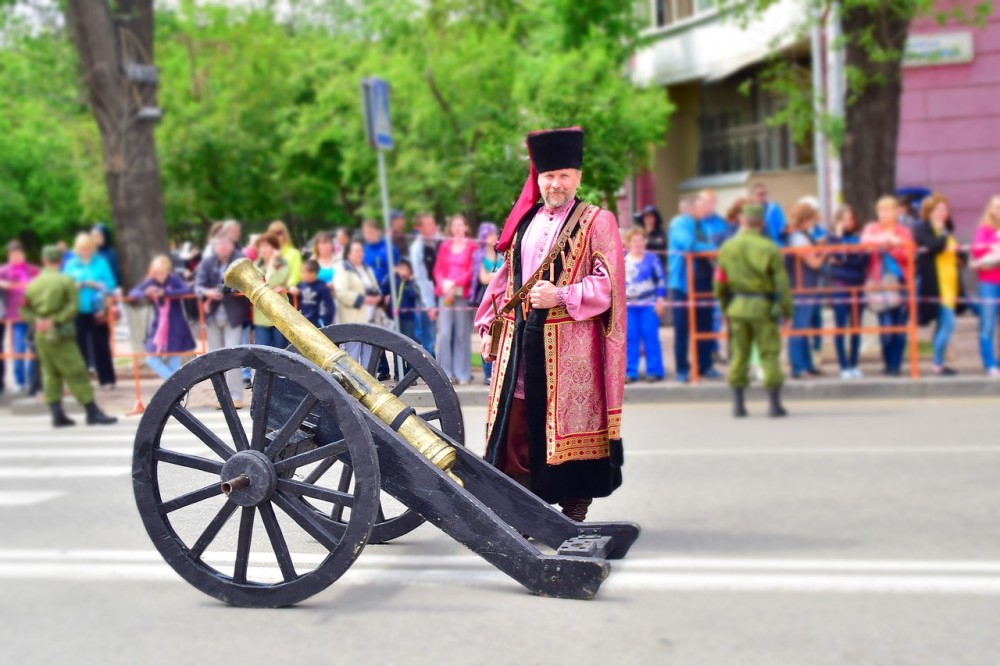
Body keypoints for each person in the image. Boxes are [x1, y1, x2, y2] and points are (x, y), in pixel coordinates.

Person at [475, 126, 626, 522]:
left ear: (577, 176)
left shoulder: (598, 221)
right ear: (538, 179)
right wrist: (489, 317)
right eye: (548, 176)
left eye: (563, 175)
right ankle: (525, 507)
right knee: (520, 415)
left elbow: (609, 285)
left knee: (563, 420)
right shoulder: (526, 221)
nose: (555, 183)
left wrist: (559, 295)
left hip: (571, 343)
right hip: (522, 336)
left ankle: (574, 506)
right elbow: (508, 275)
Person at [21, 246, 117, 427]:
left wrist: (37, 320)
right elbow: (73, 307)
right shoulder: (66, 281)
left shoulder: (33, 284)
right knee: (77, 370)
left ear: (43, 260)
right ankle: (92, 411)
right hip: (60, 334)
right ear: (60, 260)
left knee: (50, 372)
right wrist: (55, 320)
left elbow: (24, 308)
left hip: (40, 333)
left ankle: (57, 413)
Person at [714, 203, 792, 418]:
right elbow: (781, 283)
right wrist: (787, 311)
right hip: (763, 308)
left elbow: (720, 282)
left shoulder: (728, 247)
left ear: (742, 220)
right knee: (769, 353)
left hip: (737, 307)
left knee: (739, 353)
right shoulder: (769, 247)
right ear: (762, 223)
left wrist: (724, 308)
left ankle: (738, 405)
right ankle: (774, 405)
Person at [861, 196, 915, 377]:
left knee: (900, 328)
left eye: (887, 210)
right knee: (886, 328)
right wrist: (886, 239)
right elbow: (864, 242)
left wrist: (891, 247)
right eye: (880, 210)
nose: (883, 214)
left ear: (895, 212)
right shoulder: (872, 228)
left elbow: (908, 254)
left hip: (900, 282)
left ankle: (895, 365)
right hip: (880, 282)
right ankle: (887, 362)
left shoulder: (904, 231)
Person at [667, 196, 718, 382]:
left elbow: (709, 245)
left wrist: (712, 249)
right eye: (702, 205)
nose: (706, 208)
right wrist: (713, 248)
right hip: (684, 284)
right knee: (683, 328)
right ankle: (682, 369)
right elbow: (689, 245)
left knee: (705, 325)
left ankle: (706, 365)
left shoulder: (703, 225)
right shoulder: (680, 223)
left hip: (704, 282)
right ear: (691, 207)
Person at [195, 233, 248, 409]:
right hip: (212, 315)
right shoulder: (207, 263)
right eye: (220, 244)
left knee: (232, 355)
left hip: (233, 315)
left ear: (232, 245)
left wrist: (230, 289)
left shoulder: (239, 260)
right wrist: (207, 293)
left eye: (226, 243)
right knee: (216, 357)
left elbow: (246, 282)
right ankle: (222, 397)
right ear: (215, 246)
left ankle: (236, 396)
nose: (223, 247)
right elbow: (197, 286)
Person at [914, 194, 964, 376]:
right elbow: (934, 246)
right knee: (949, 323)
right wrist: (942, 233)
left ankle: (939, 362)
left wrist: (960, 256)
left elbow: (958, 252)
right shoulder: (924, 229)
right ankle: (936, 363)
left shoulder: (946, 229)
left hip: (950, 283)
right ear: (930, 212)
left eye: (945, 210)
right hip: (936, 284)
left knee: (943, 324)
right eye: (939, 210)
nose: (944, 213)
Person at [62, 231, 117, 389]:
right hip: (77, 310)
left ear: (92, 248)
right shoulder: (71, 264)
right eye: (81, 248)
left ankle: (107, 379)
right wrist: (75, 286)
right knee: (79, 347)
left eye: (87, 248)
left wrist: (96, 284)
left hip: (97, 309)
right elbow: (64, 285)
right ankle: (80, 381)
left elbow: (111, 285)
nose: (84, 251)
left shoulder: (101, 262)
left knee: (101, 345)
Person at [128, 255, 196, 380]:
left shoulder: (173, 279)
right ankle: (177, 386)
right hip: (159, 327)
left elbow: (187, 290)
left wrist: (166, 293)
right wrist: (146, 292)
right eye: (156, 273)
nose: (158, 276)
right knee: (151, 360)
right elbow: (133, 293)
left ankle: (176, 392)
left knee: (174, 363)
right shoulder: (152, 281)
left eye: (161, 273)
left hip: (176, 328)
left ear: (167, 271)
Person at [827, 205, 869, 379]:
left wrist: (843, 260)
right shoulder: (832, 238)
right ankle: (843, 366)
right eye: (843, 219)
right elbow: (837, 257)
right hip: (840, 286)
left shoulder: (859, 238)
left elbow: (861, 261)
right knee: (840, 327)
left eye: (850, 219)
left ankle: (854, 364)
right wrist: (838, 239)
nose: (848, 222)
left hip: (858, 285)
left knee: (856, 327)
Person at [434, 214, 477, 384]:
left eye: (461, 225)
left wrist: (455, 285)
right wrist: (443, 284)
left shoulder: (472, 246)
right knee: (444, 333)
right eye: (455, 225)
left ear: (466, 227)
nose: (457, 229)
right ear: (450, 228)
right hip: (445, 294)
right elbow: (437, 269)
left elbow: (472, 271)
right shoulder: (445, 246)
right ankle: (446, 373)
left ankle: (462, 373)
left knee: (461, 334)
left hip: (461, 294)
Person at [785, 203, 826, 379]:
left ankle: (806, 365)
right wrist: (825, 251)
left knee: (804, 328)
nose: (814, 221)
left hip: (806, 287)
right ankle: (798, 367)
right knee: (798, 327)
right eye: (812, 217)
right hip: (801, 288)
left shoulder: (800, 236)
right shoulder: (799, 238)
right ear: (806, 218)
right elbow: (814, 262)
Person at [624, 227, 666, 383]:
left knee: (651, 337)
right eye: (635, 240)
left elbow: (661, 281)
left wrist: (661, 300)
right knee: (630, 339)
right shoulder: (623, 260)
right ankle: (630, 372)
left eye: (641, 240)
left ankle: (654, 371)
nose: (638, 243)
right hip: (628, 305)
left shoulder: (652, 259)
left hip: (649, 304)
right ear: (629, 243)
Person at [334, 239, 382, 367]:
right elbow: (341, 292)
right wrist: (363, 299)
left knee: (370, 355)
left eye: (361, 250)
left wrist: (377, 297)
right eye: (356, 251)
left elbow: (375, 288)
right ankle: (352, 385)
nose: (359, 253)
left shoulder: (367, 269)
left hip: (370, 319)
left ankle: (369, 384)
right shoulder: (343, 269)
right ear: (348, 253)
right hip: (352, 319)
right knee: (352, 356)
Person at [0, 240, 40, 393]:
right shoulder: (4, 270)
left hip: (32, 314)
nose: (15, 257)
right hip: (14, 316)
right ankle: (19, 380)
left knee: (33, 349)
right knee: (18, 348)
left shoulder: (32, 270)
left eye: (18, 253)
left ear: (23, 254)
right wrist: (3, 283)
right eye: (12, 254)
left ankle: (32, 380)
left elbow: (43, 280)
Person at [971, 195, 1000, 377]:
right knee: (988, 324)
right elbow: (976, 250)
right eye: (997, 207)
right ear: (991, 210)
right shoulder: (985, 230)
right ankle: (990, 363)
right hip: (989, 282)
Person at [473, 222, 502, 385]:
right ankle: (487, 373)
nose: (493, 237)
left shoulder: (501, 254)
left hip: (498, 300)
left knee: (497, 335)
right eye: (489, 234)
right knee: (486, 335)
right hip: (484, 300)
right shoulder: (480, 256)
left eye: (494, 234)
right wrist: (498, 275)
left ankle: (496, 371)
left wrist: (495, 276)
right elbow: (483, 278)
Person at [381, 258, 420, 378]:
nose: (403, 272)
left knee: (408, 344)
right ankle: (399, 373)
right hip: (394, 318)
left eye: (406, 269)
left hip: (408, 318)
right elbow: (384, 287)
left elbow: (415, 295)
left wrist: (409, 282)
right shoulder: (393, 280)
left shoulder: (411, 284)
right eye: (401, 269)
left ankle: (408, 373)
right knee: (397, 345)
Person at [251, 233, 291, 349]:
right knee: (263, 351)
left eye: (267, 246)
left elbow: (272, 281)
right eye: (261, 246)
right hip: (261, 314)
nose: (263, 249)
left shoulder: (282, 264)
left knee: (281, 350)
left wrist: (273, 262)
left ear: (274, 248)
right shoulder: (254, 266)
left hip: (280, 314)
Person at [409, 213, 439, 357]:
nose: (432, 227)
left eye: (432, 223)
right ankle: (432, 372)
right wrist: (429, 305)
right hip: (427, 294)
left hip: (443, 292)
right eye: (427, 225)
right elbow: (421, 279)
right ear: (420, 228)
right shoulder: (417, 248)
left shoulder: (439, 242)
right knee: (429, 336)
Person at [296, 259, 336, 328]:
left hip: (319, 323)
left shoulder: (322, 287)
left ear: (313, 273)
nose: (301, 275)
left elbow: (330, 307)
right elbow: (299, 303)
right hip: (305, 322)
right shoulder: (301, 285)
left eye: (303, 272)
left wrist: (327, 323)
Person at [267, 220, 302, 286]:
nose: (275, 236)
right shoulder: (266, 252)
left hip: (286, 292)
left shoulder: (294, 253)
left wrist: (285, 287)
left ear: (285, 234)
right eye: (272, 234)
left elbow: (295, 275)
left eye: (278, 233)